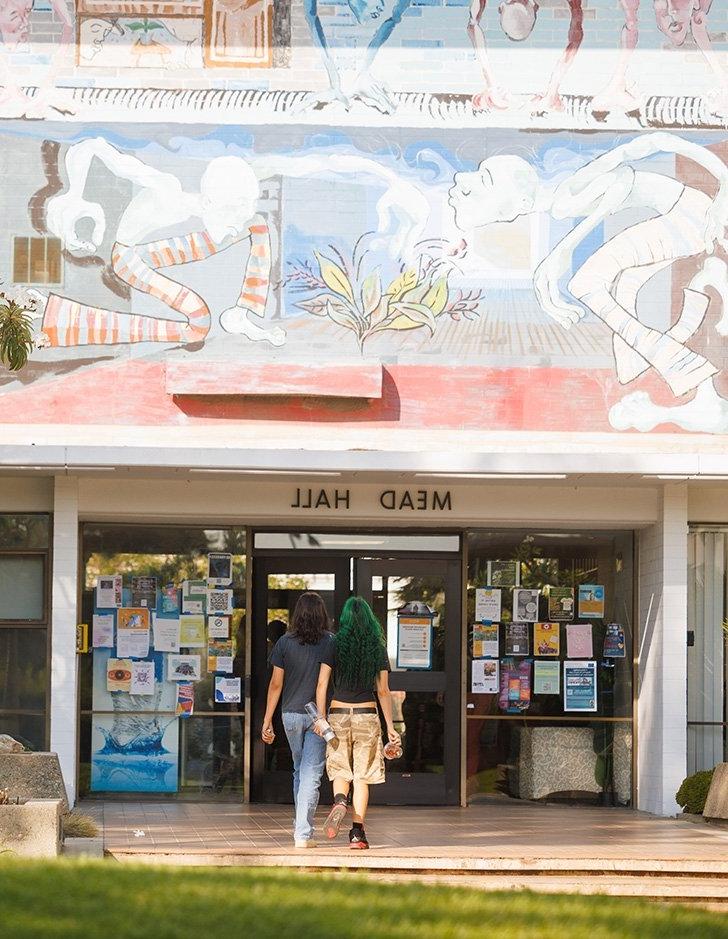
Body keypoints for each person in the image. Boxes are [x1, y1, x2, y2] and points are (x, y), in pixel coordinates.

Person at [314, 596, 401, 850]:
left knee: (340, 768)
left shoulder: (334, 644)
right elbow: (383, 691)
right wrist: (391, 726)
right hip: (366, 715)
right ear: (369, 620)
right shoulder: (377, 646)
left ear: (344, 619)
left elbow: (321, 684)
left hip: (338, 713)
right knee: (362, 776)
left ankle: (340, 800)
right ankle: (357, 833)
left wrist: (320, 718)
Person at [261, 593, 335, 848]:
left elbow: (275, 684)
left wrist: (267, 720)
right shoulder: (329, 642)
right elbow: (323, 683)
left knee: (300, 771)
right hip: (316, 716)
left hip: (289, 715)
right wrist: (322, 718)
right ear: (321, 614)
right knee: (310, 775)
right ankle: (303, 834)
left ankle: (300, 827)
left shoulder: (283, 642)